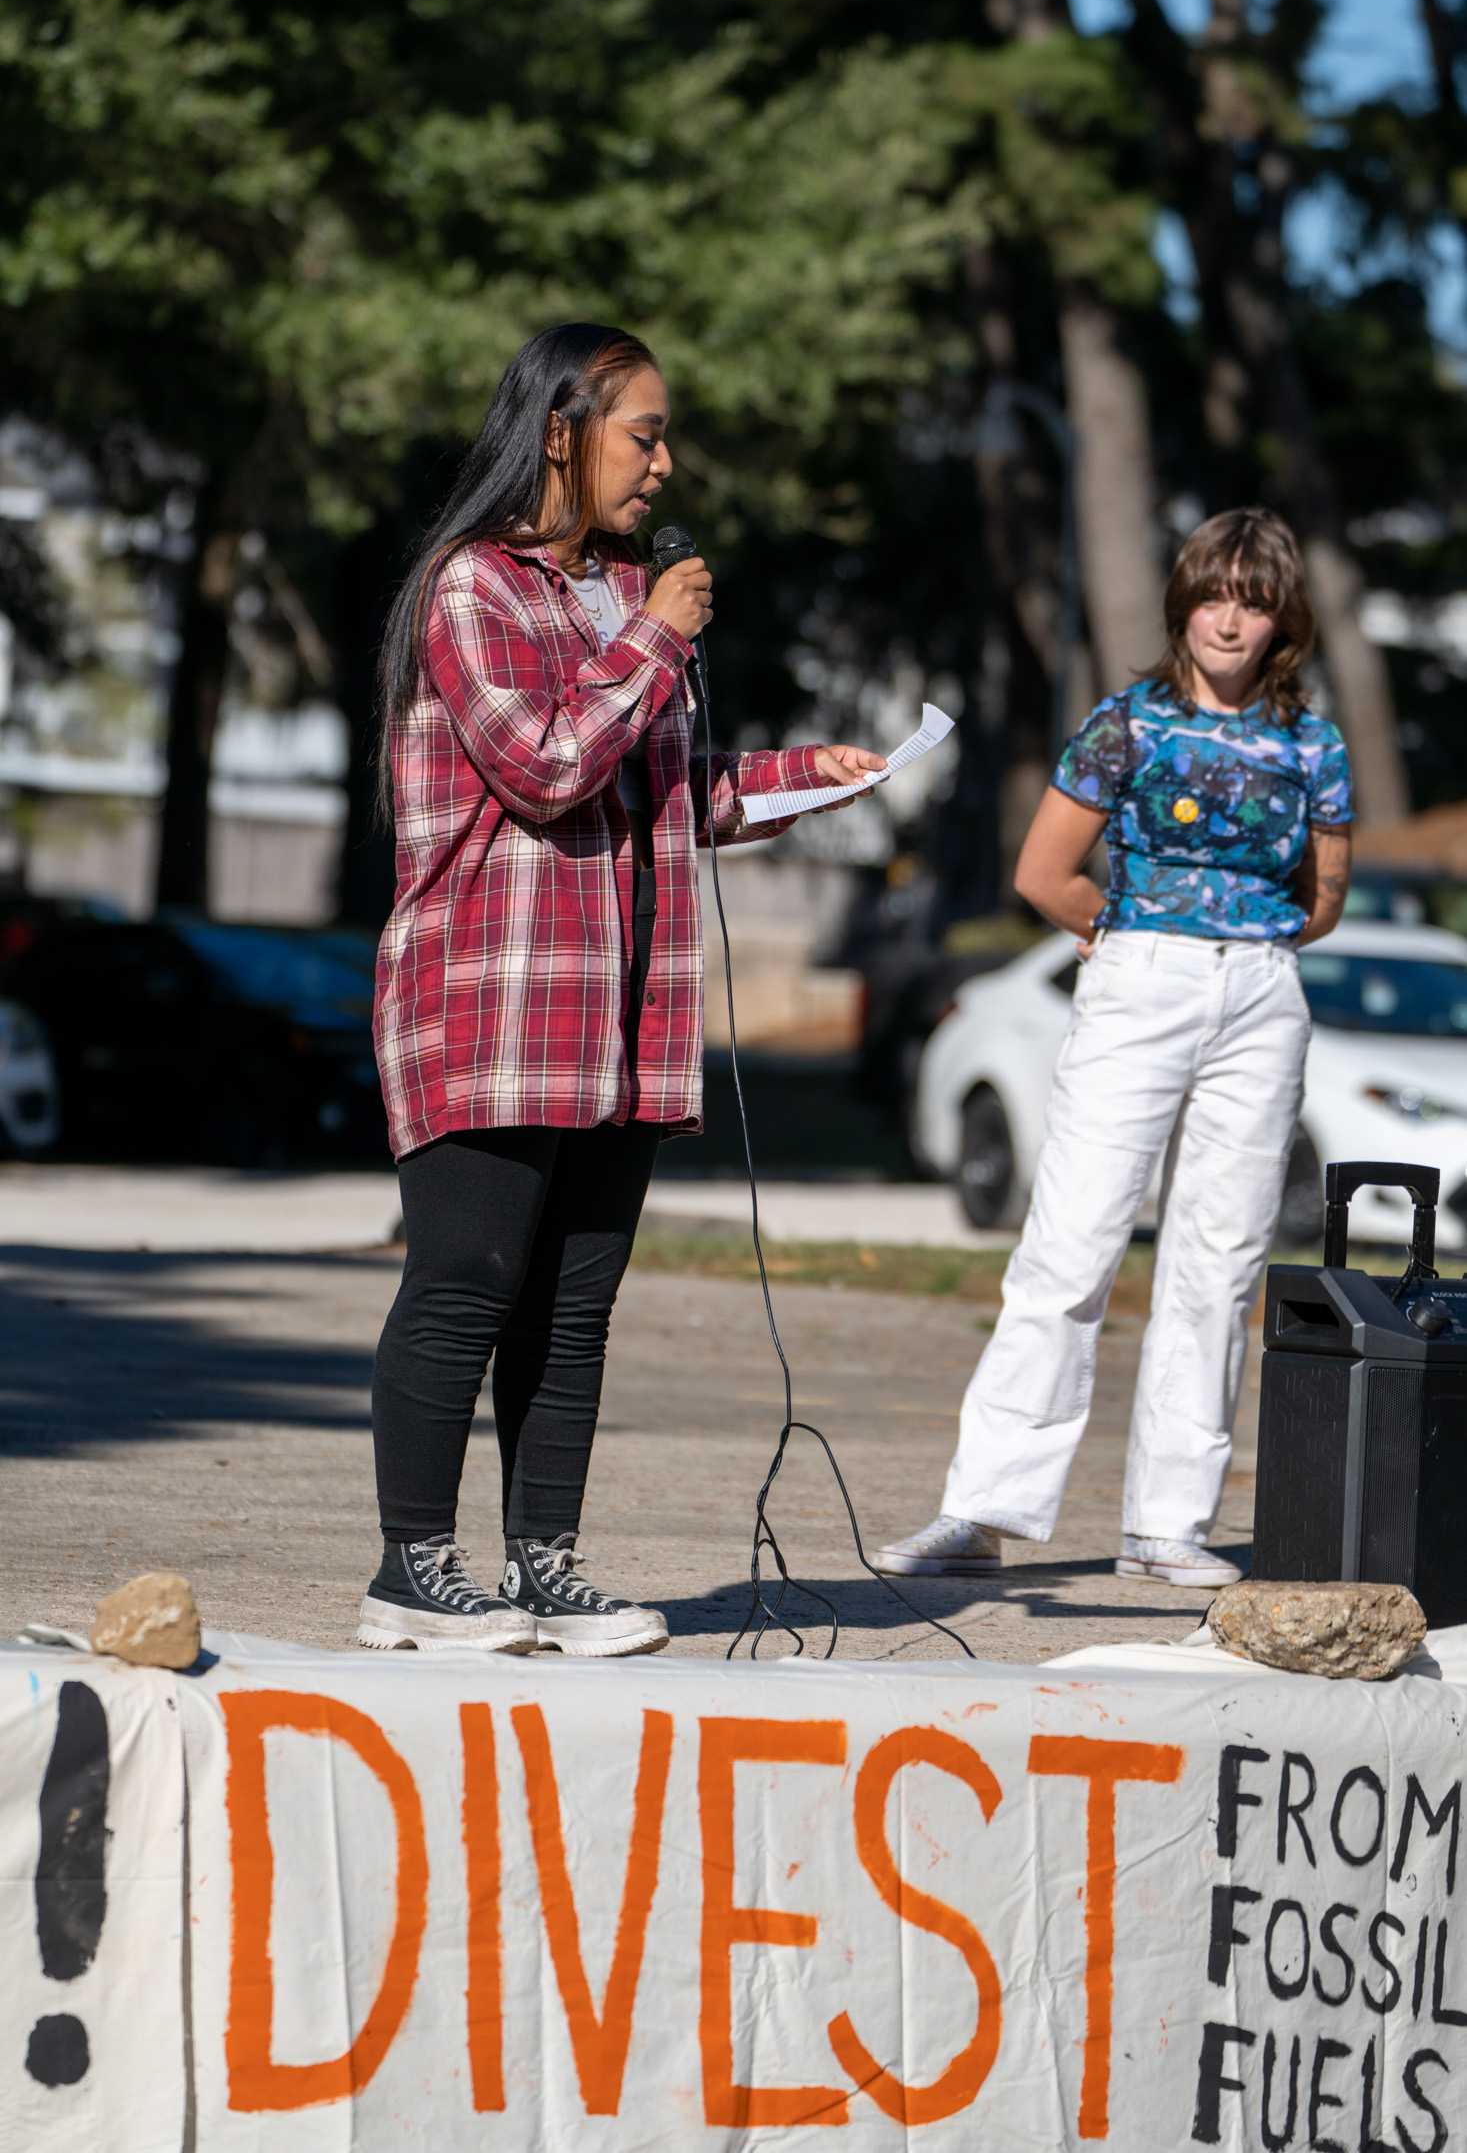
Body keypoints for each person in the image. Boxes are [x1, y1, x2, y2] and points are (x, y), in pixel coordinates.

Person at [359, 321, 884, 1658]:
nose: (663, 462)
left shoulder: (614, 598)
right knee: (467, 1278)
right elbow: (542, 766)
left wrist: (795, 781)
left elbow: (655, 796)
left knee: (573, 1304)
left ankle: (547, 1567)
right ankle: (411, 1575)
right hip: (490, 994)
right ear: (558, 432)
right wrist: (653, 632)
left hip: (618, 1009)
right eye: (641, 434)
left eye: (662, 437)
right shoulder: (472, 588)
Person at [874, 508, 1352, 1589]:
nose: (1230, 618)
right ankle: (983, 1508)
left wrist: (1247, 937)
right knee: (1071, 1241)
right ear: (1184, 603)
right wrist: (1126, 935)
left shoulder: (1310, 741)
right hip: (1141, 975)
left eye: (1255, 598)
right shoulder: (1125, 724)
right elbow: (1045, 872)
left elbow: (1325, 895)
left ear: (1284, 619)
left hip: (1262, 992)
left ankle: (1168, 1525)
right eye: (1214, 593)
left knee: (1222, 1262)